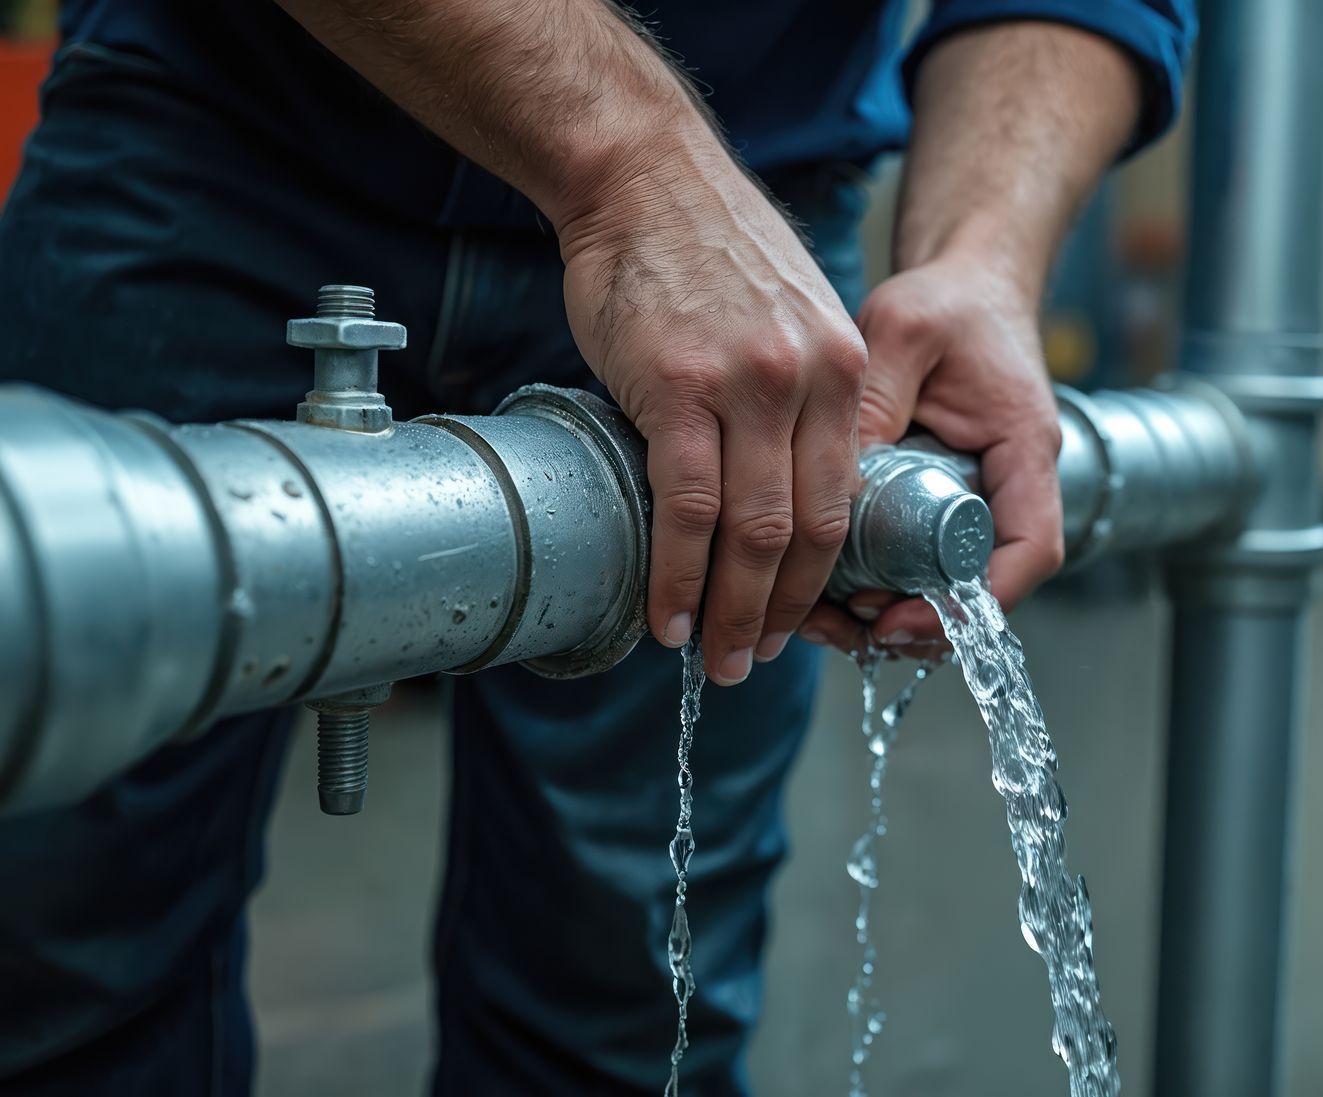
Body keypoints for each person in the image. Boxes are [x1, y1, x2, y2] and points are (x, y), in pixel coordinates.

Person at [0, 0, 1191, 1091]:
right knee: (55, 954)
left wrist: (979, 253)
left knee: (628, 1008)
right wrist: (633, 163)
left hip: (747, 241)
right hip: (224, 133)